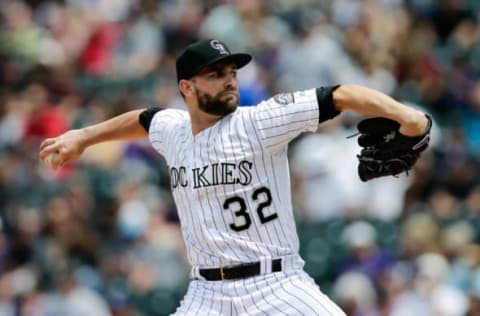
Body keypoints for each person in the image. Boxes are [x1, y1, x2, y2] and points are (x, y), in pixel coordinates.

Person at [39, 39, 430, 315]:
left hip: (277, 286)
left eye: (231, 71)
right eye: (215, 73)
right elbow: (143, 118)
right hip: (206, 293)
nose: (229, 79)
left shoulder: (259, 121)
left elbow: (339, 95)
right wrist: (83, 137)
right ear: (186, 88)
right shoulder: (173, 129)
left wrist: (408, 116)